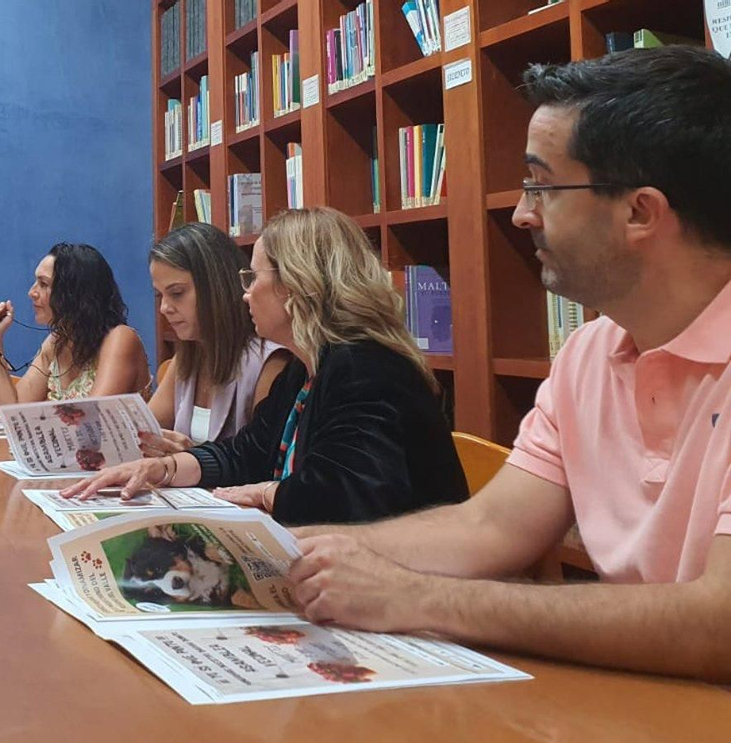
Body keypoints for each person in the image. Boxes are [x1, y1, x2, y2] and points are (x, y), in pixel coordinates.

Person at [285, 47, 731, 681]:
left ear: (640, 212)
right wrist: (287, 554)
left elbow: (720, 623)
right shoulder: (588, 352)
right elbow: (491, 526)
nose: (523, 213)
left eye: (542, 186)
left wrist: (420, 598)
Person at [65, 207, 467, 525]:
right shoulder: (306, 368)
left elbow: (345, 494)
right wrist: (164, 468)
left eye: (253, 277)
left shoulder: (365, 368)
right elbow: (247, 453)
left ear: (295, 285)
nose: (245, 294)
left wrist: (264, 493)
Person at [141, 222, 292, 452]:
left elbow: (261, 463)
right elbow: (144, 432)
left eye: (177, 293)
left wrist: (189, 461)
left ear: (215, 286)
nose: (164, 308)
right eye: (159, 295)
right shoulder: (188, 357)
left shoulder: (269, 362)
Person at [0, 243, 150, 404]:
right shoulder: (57, 341)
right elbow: (13, 411)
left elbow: (94, 419)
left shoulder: (120, 338)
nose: (31, 292)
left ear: (75, 293)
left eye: (43, 284)